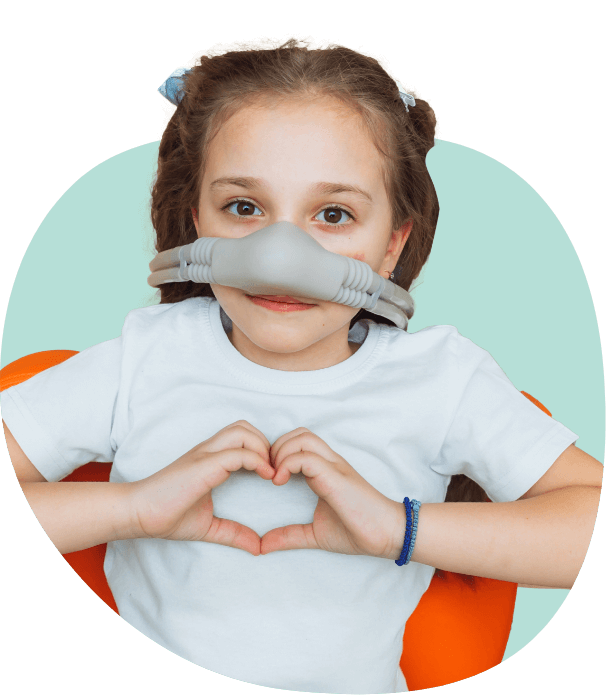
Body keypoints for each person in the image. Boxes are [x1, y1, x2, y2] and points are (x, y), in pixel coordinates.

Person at [2, 37, 602, 693]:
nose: (280, 254)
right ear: (196, 218)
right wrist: (133, 509)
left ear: (391, 244)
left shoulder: (442, 380)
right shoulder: (146, 356)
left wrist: (397, 528)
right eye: (243, 207)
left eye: (334, 214)